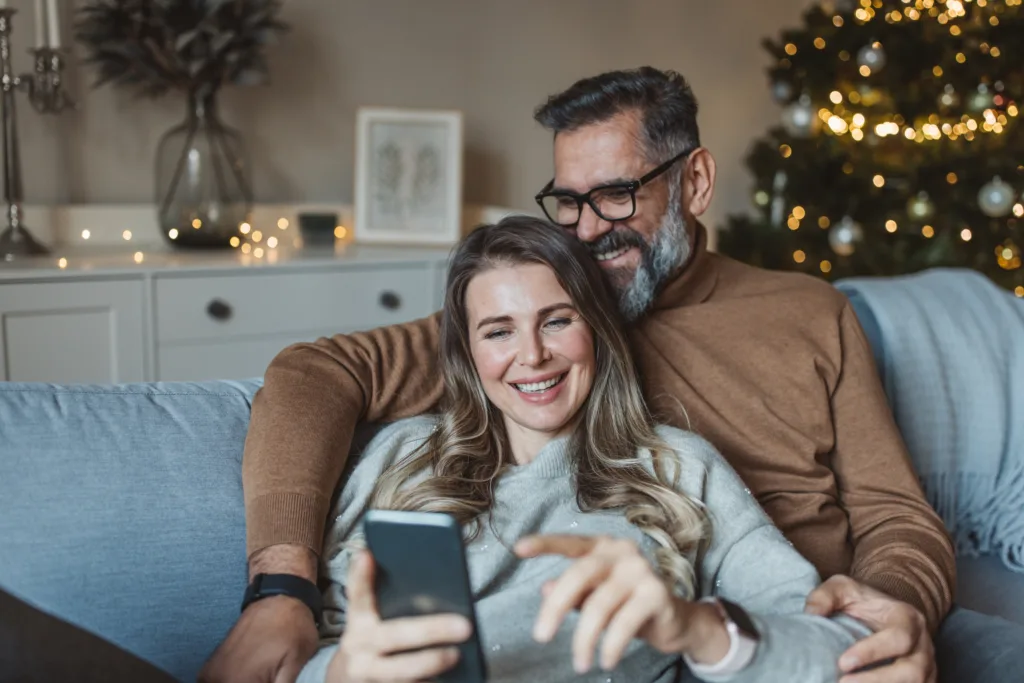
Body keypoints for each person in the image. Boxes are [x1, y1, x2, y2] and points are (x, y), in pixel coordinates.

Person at [201, 68, 1024, 683]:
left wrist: (885, 609)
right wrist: (281, 587)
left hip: (794, 627)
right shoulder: (549, 300)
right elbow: (315, 374)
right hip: (648, 633)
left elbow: (895, 513)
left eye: (618, 195)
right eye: (568, 200)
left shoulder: (810, 315)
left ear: (694, 181)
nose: (589, 229)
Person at [298, 216, 872, 683]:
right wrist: (343, 672)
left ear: (596, 329)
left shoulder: (677, 468)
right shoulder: (401, 457)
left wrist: (693, 627)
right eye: (499, 331)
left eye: (557, 321)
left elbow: (830, 647)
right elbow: (310, 648)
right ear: (467, 353)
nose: (532, 355)